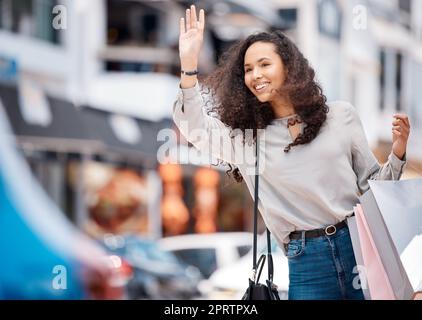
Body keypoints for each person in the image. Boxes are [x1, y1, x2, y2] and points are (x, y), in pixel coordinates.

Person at [173, 5, 411, 300]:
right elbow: (194, 125)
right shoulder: (249, 141)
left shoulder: (340, 117)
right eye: (248, 69)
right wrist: (188, 66)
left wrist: (398, 154)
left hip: (360, 250)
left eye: (264, 64)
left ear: (288, 66)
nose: (255, 75)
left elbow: (373, 188)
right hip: (307, 262)